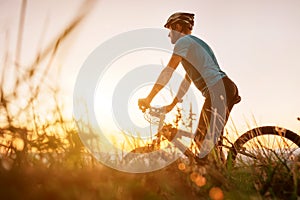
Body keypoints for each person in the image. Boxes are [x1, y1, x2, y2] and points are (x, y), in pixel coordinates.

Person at [138, 12, 241, 158]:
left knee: (200, 138)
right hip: (226, 87)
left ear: (178, 27)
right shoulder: (196, 43)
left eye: (170, 30)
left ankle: (214, 171)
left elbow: (168, 72)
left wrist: (148, 98)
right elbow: (187, 81)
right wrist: (172, 105)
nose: (169, 35)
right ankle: (222, 175)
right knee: (211, 144)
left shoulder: (183, 42)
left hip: (218, 89)